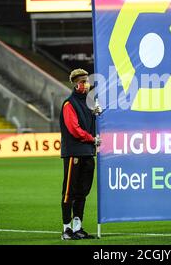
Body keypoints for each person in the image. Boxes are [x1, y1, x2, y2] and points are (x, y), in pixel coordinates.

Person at [59, 68, 102, 240]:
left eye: (86, 81)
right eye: (82, 82)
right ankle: (66, 229)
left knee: (82, 192)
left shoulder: (90, 103)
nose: (86, 84)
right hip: (74, 152)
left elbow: (88, 124)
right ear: (76, 84)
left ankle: (77, 228)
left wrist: (97, 114)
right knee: (69, 191)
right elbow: (74, 130)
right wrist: (92, 139)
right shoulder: (69, 104)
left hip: (87, 153)